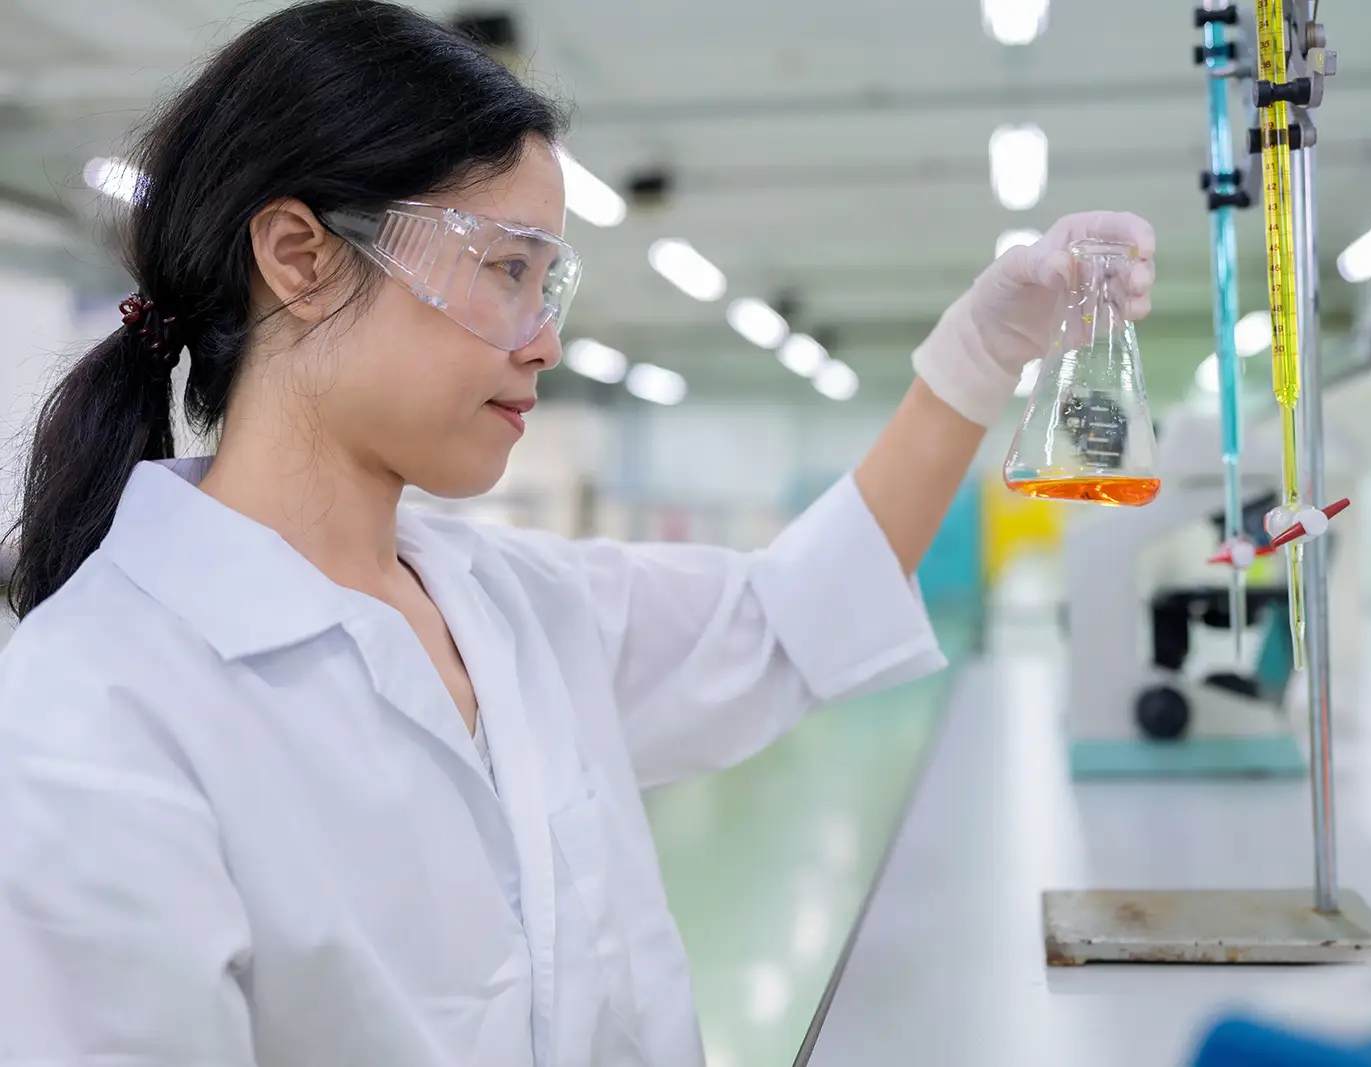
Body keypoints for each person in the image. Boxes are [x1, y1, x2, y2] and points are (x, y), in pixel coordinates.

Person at [0, 1, 1155, 1064]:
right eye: (506, 269)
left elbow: (787, 614)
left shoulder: (517, 606)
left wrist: (978, 349)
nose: (542, 340)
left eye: (548, 284)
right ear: (299, 256)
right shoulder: (94, 716)